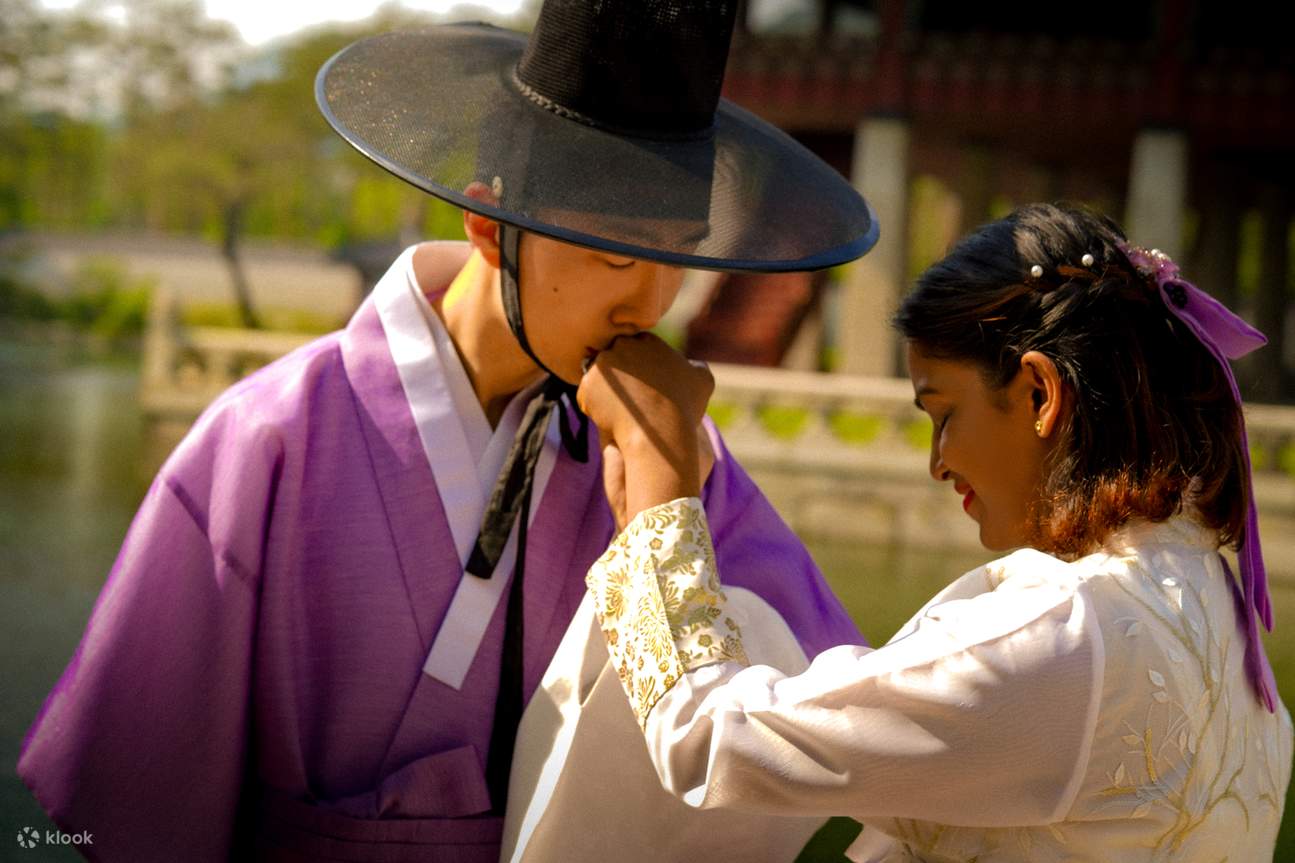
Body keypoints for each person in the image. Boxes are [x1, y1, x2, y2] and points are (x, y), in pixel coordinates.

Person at [16, 2, 879, 860]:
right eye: (618, 254)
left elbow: (839, 719)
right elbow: (137, 795)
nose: (651, 306)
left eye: (678, 257)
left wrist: (665, 486)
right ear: (488, 222)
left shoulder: (674, 457)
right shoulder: (269, 435)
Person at [577, 203, 1295, 861]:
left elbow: (709, 734)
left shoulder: (1062, 632)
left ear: (1039, 393)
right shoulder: (1220, 624)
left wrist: (657, 465)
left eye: (942, 412)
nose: (935, 462)